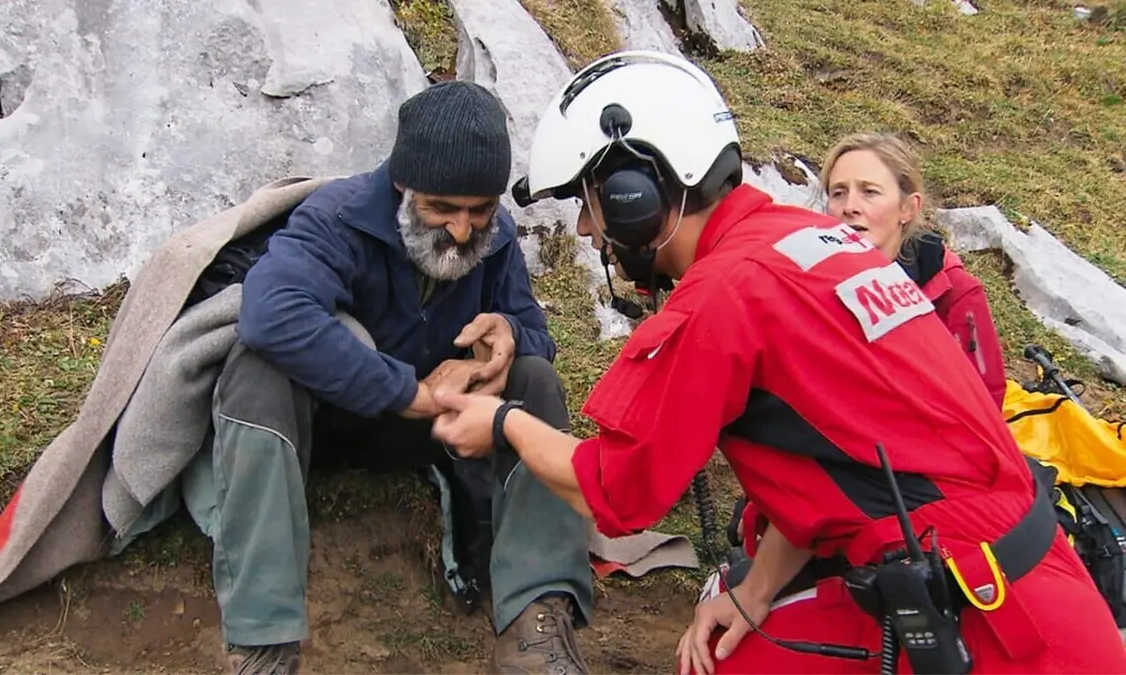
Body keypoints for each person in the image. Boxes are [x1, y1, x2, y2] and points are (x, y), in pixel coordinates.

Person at [426, 50, 1126, 675]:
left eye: (589, 201)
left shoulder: (729, 290)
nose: (586, 227)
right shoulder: (810, 241)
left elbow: (617, 489)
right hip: (1026, 586)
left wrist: (505, 422)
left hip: (993, 624)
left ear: (635, 194)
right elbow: (837, 458)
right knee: (737, 653)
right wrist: (754, 591)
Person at [184, 79, 594, 675]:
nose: (462, 230)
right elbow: (270, 313)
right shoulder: (336, 218)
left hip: (438, 433)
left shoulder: (497, 237)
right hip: (327, 422)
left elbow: (536, 334)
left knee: (534, 381)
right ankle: (262, 642)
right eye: (442, 209)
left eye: (479, 211)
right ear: (403, 185)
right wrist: (406, 391)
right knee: (257, 367)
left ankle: (536, 627)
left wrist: (508, 337)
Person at [820, 132, 1008, 407]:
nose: (849, 207)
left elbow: (984, 405)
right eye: (838, 193)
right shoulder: (808, 277)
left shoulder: (954, 294)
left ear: (908, 208)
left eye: (869, 192)